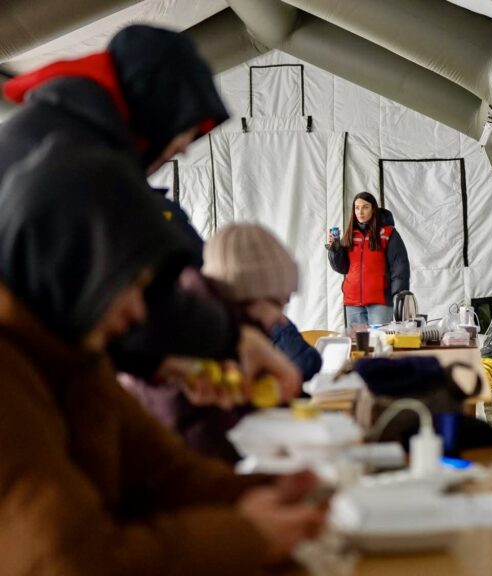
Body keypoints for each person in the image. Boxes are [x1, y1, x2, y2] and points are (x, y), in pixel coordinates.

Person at [0, 139, 325, 574]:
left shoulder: (78, 361)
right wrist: (248, 535)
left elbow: (163, 476)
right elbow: (71, 563)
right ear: (71, 268)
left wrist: (273, 490)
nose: (138, 312)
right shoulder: (10, 378)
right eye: (130, 285)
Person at [0, 24, 300, 396]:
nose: (184, 147)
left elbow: (85, 306)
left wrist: (158, 362)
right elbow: (122, 295)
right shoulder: (81, 157)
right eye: (186, 129)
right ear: (158, 106)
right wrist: (235, 339)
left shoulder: (58, 128)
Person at [125, 223, 322, 462]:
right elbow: (202, 439)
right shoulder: (193, 341)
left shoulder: (234, 332)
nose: (281, 316)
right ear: (247, 295)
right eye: (277, 302)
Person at [327, 192, 410, 327]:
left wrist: (398, 294)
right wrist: (334, 249)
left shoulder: (388, 233)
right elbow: (341, 268)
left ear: (373, 209)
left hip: (380, 303)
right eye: (357, 207)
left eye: (365, 207)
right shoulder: (350, 235)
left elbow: (399, 266)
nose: (360, 212)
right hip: (353, 304)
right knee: (358, 346)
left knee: (379, 344)